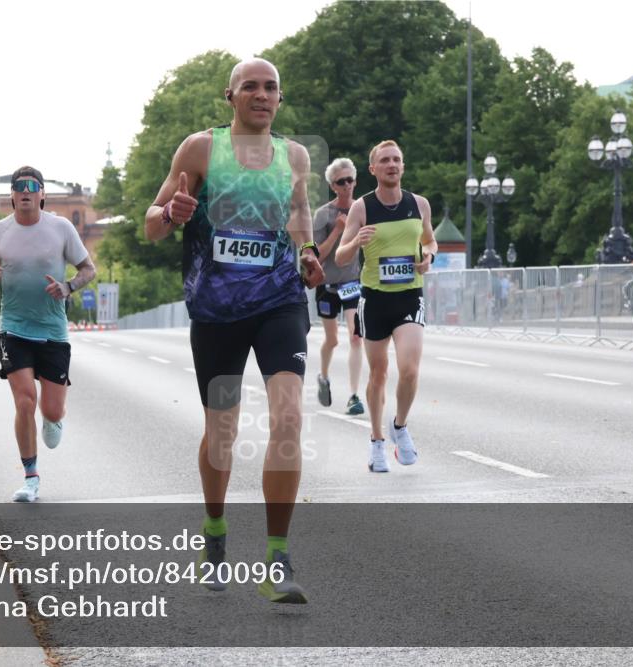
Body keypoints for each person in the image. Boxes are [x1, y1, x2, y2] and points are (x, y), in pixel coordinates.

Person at [144, 58, 324, 604]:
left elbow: (299, 214)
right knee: (222, 432)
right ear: (231, 97)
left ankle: (277, 557)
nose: (262, 94)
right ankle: (216, 532)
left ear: (280, 98)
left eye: (271, 87)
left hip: (280, 302)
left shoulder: (294, 155)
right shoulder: (199, 149)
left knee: (289, 414)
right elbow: (151, 225)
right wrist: (172, 214)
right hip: (217, 311)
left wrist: (309, 254)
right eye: (251, 86)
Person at [0, 166, 96, 503]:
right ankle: (31, 477)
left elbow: (89, 269)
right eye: (19, 186)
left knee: (52, 411)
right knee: (25, 399)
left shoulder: (61, 228)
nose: (26, 191)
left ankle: (54, 420)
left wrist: (68, 286)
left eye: (32, 186)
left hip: (53, 329)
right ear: (12, 195)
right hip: (14, 327)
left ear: (42, 194)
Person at [336, 140, 437, 474]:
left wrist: (428, 256)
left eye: (397, 159)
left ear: (403, 166)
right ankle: (377, 441)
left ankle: (400, 425)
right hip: (375, 299)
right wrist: (355, 242)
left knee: (409, 369)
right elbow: (340, 256)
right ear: (373, 168)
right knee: (378, 374)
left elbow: (429, 240)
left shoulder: (419, 204)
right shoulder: (362, 208)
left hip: (409, 296)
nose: (392, 164)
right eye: (385, 160)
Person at [313, 157, 365, 415]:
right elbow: (317, 255)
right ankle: (323, 376)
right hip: (326, 284)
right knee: (332, 340)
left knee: (356, 336)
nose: (347, 185)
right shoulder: (323, 214)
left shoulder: (362, 209)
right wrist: (337, 231)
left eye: (350, 180)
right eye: (341, 182)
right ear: (333, 186)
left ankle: (354, 396)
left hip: (352, 282)